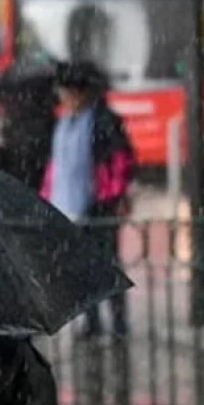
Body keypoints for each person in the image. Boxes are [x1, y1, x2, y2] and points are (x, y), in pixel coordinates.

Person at [42, 60, 135, 338]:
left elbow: (120, 161)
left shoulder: (103, 121)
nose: (63, 98)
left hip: (98, 205)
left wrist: (114, 194)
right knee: (82, 266)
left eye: (67, 92)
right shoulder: (63, 125)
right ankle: (92, 321)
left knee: (106, 263)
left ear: (81, 92)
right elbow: (56, 168)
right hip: (70, 207)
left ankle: (118, 322)